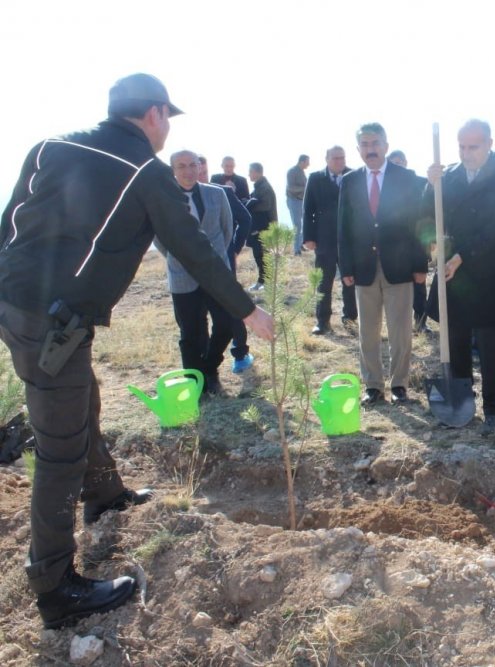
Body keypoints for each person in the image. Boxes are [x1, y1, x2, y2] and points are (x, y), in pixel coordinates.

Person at [0, 73, 274, 630]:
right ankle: (55, 587)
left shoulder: (49, 146)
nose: (167, 128)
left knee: (83, 399)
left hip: (19, 305)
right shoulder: (145, 174)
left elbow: (10, 224)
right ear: (152, 115)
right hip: (51, 322)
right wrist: (248, 311)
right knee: (59, 450)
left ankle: (105, 494)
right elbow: (194, 250)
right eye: (167, 117)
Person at [425, 119, 495, 436]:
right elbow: (429, 214)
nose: (466, 153)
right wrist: (431, 184)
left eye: (473, 147)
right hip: (455, 276)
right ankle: (462, 405)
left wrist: (461, 255)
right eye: (462, 147)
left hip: (487, 272)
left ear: (490, 143)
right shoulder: (450, 176)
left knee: (491, 346)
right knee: (456, 342)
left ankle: (494, 409)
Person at [338, 123, 426, 406]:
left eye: (375, 143)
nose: (370, 149)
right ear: (358, 149)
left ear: (386, 146)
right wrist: (346, 268)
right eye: (364, 144)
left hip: (399, 266)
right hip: (363, 268)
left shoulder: (406, 178)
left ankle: (399, 385)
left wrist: (420, 263)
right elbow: (344, 227)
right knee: (368, 331)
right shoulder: (349, 181)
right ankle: (373, 386)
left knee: (400, 330)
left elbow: (418, 223)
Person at [158, 151, 235, 396]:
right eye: (182, 166)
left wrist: (215, 258)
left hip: (216, 273)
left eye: (193, 164)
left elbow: (226, 229)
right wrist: (178, 258)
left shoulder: (217, 194)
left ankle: (209, 368)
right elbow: (159, 238)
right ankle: (197, 385)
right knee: (191, 333)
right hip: (182, 274)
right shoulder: (162, 198)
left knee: (226, 324)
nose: (189, 170)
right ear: (172, 170)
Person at [198, 156, 254, 372]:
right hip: (193, 265)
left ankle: (241, 352)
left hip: (223, 259)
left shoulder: (221, 192)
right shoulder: (178, 194)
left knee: (231, 305)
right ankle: (204, 357)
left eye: (202, 172)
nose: (199, 176)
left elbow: (245, 219)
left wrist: (234, 247)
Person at [303, 146, 357, 334]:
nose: (339, 161)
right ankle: (322, 321)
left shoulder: (354, 175)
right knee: (324, 282)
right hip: (324, 239)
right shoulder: (316, 178)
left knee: (350, 280)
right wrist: (308, 237)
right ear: (326, 159)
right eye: (335, 158)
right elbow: (308, 209)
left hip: (349, 240)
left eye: (342, 157)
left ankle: (350, 318)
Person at [387, 149, 431, 333]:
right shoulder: (382, 187)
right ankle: (399, 326)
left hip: (416, 244)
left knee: (419, 286)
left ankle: (421, 322)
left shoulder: (420, 183)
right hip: (392, 248)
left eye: (401, 161)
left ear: (406, 162)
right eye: (394, 162)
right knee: (396, 290)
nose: (398, 165)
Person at [246, 162, 278, 291]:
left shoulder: (264, 187)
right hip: (261, 226)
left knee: (262, 255)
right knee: (259, 254)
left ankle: (265, 282)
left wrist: (249, 204)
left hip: (264, 227)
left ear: (257, 172)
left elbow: (265, 206)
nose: (249, 174)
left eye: (251, 172)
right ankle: (263, 281)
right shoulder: (260, 186)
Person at [286, 154, 309, 256]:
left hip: (301, 201)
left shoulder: (301, 172)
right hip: (294, 201)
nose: (309, 164)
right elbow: (291, 188)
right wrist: (305, 189)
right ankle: (296, 250)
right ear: (302, 162)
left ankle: (300, 245)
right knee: (297, 225)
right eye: (307, 162)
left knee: (304, 224)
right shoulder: (292, 172)